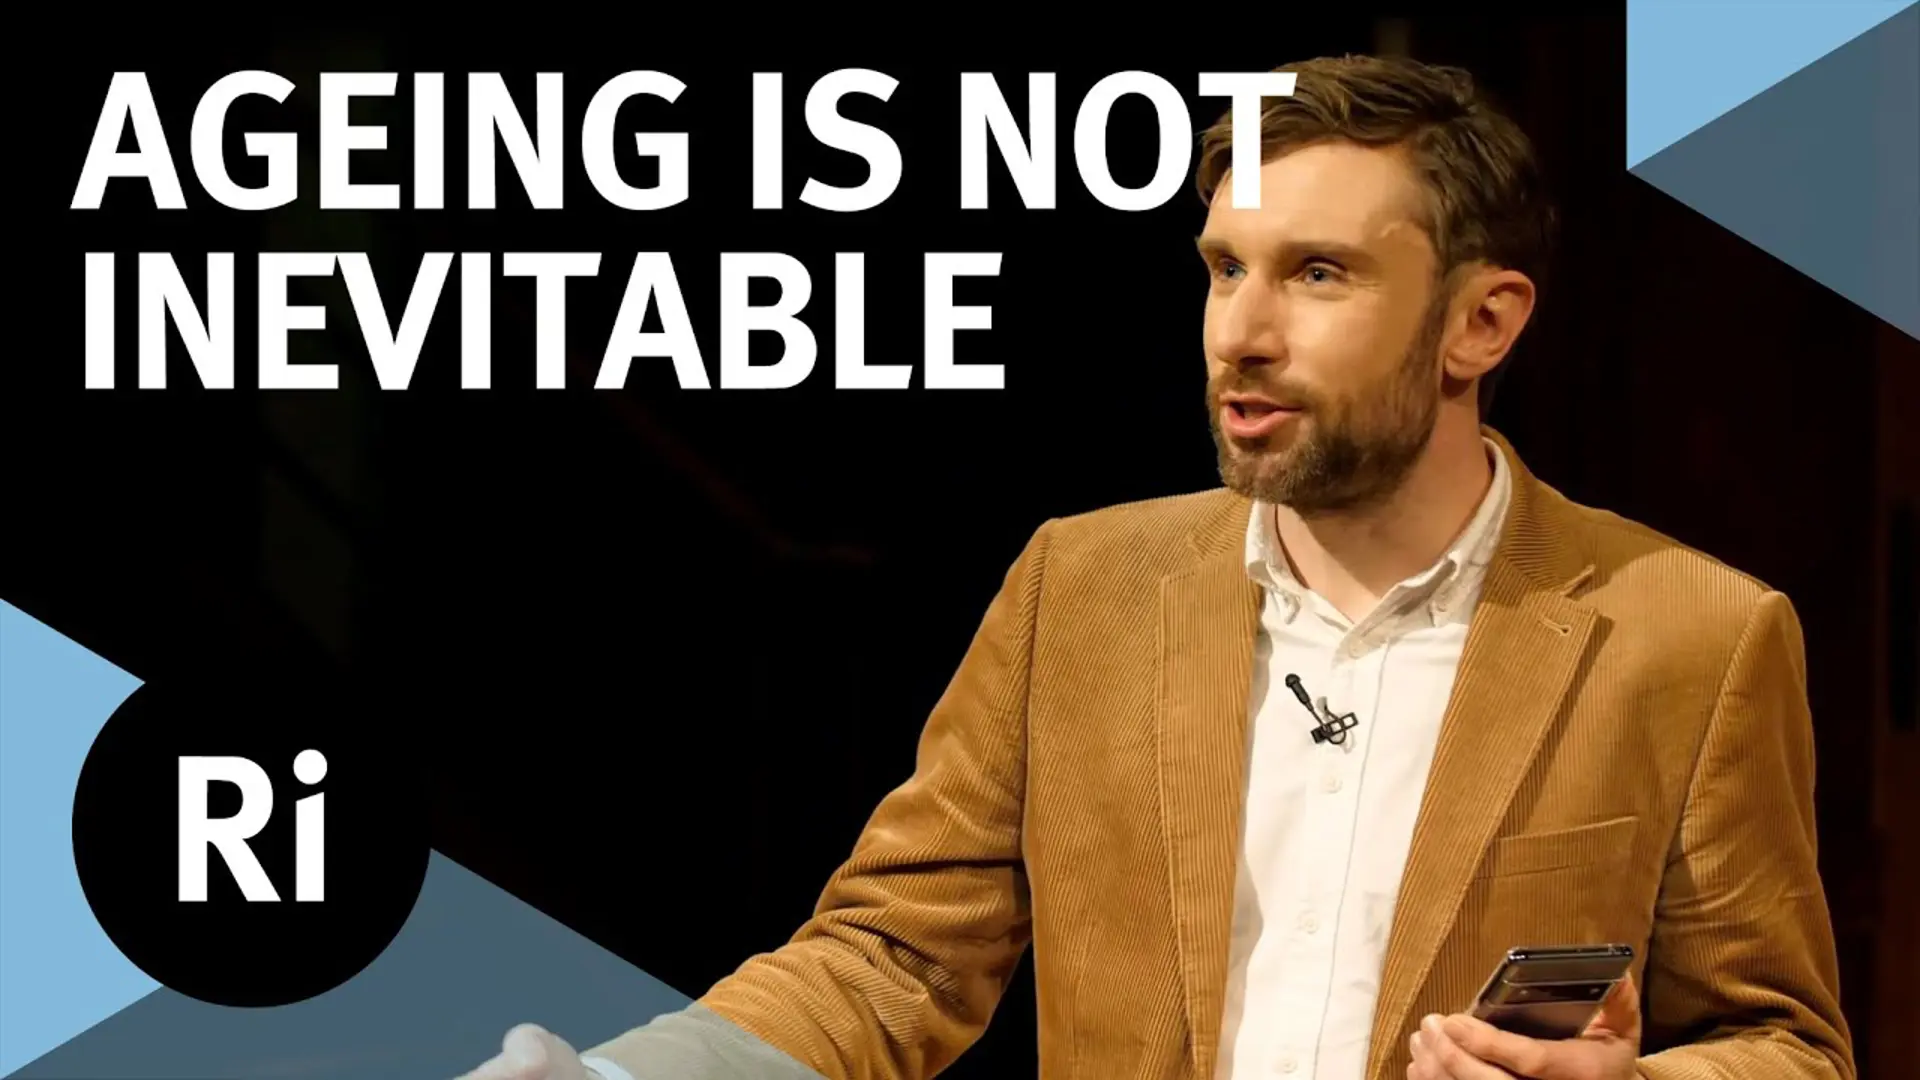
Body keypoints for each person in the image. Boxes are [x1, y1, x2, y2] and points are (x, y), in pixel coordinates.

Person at [456, 54, 1856, 1080]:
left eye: (1317, 274)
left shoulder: (1692, 635)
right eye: (1223, 268)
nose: (1240, 331)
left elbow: (1785, 1043)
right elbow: (893, 959)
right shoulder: (1083, 589)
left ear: (1480, 324)